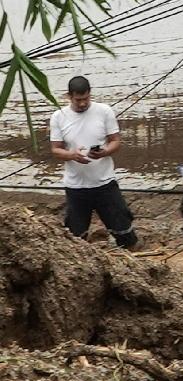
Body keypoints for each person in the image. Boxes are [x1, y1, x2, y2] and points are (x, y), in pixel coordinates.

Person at [48, 75, 138, 250]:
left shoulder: (104, 111)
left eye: (86, 99)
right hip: (76, 187)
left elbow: (115, 140)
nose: (82, 104)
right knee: (75, 237)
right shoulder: (59, 117)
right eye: (78, 100)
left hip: (104, 182)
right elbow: (56, 149)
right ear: (69, 96)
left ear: (90, 94)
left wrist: (104, 152)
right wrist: (71, 155)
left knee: (123, 230)